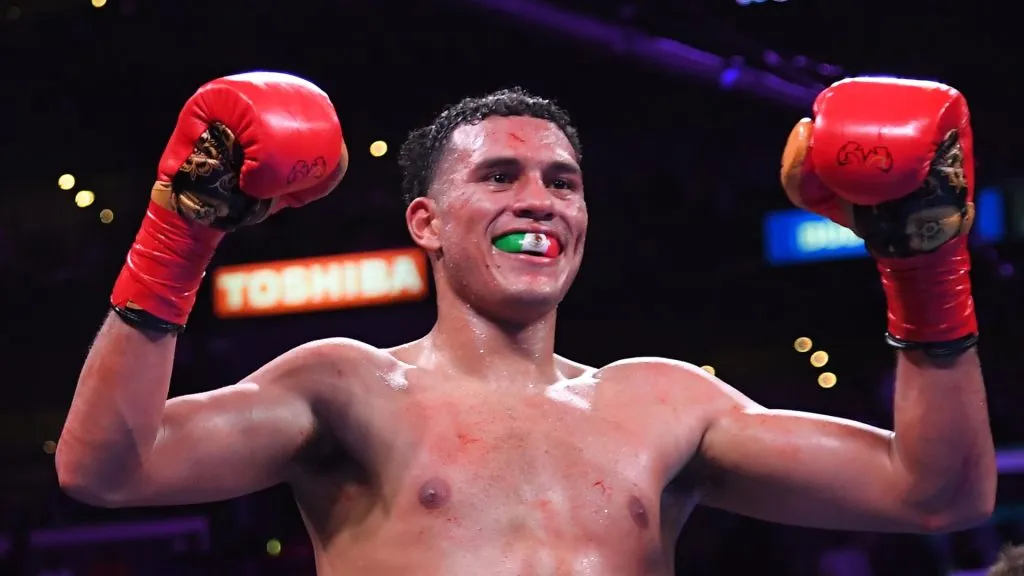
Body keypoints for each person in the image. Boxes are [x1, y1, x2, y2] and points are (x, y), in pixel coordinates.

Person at [56, 72, 996, 575]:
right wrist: (178, 235)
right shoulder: (344, 386)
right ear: (424, 221)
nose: (539, 200)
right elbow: (106, 468)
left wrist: (923, 263)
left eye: (563, 181)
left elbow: (937, 495)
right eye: (498, 178)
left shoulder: (665, 400)